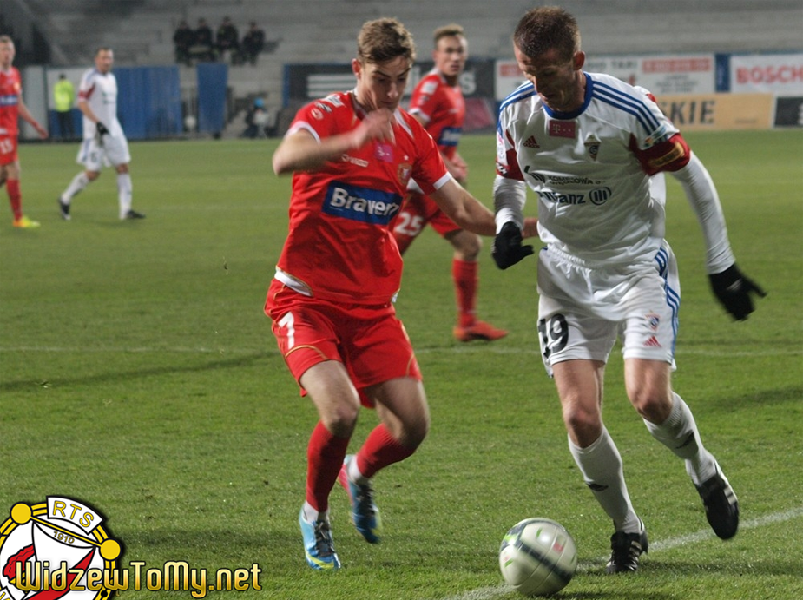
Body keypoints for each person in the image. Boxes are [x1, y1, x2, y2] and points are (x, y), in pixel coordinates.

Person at [492, 7, 766, 574]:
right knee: (579, 418)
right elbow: (508, 180)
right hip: (565, 277)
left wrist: (721, 265)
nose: (538, 86)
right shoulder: (516, 111)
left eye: (548, 72)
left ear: (578, 60)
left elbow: (693, 175)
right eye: (527, 72)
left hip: (637, 270)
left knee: (649, 401)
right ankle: (627, 528)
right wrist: (505, 224)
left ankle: (703, 468)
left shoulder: (628, 110)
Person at [268, 17, 535, 572]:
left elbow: (460, 208)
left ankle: (358, 472)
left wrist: (528, 226)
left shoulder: (412, 135)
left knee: (411, 428)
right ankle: (315, 513)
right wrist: (353, 140)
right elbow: (283, 160)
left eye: (400, 80)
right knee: (340, 412)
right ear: (356, 69)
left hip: (372, 309)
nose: (391, 93)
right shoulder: (324, 116)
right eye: (380, 80)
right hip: (306, 300)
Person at [392, 24, 506, 342]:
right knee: (469, 244)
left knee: (389, 250)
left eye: (459, 52)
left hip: (425, 186)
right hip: (425, 186)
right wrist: (444, 165)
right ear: (436, 55)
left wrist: (453, 159)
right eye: (448, 52)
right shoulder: (432, 87)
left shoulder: (453, 89)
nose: (454, 57)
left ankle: (349, 303)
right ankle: (466, 323)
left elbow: (440, 138)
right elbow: (414, 129)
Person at [58, 47, 144, 221]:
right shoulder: (90, 78)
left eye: (109, 58)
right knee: (93, 173)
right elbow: (82, 103)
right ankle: (65, 198)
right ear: (96, 59)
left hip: (113, 130)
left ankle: (125, 210)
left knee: (123, 166)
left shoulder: (111, 78)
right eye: (103, 57)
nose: (107, 61)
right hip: (96, 133)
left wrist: (110, 125)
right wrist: (97, 123)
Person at [0, 35, 48, 228]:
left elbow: (18, 104)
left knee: (3, 173)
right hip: (1, 132)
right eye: (3, 50)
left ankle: (18, 218)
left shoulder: (15, 74)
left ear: (14, 52)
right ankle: (18, 218)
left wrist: (35, 124)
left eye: (9, 49)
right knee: (13, 169)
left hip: (11, 130)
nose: (7, 53)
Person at [53, 74, 76, 140]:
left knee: (61, 124)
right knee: (69, 123)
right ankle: (72, 136)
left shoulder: (56, 85)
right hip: (67, 106)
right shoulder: (68, 84)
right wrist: (71, 101)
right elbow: (71, 94)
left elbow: (54, 95)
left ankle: (63, 137)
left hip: (58, 106)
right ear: (65, 78)